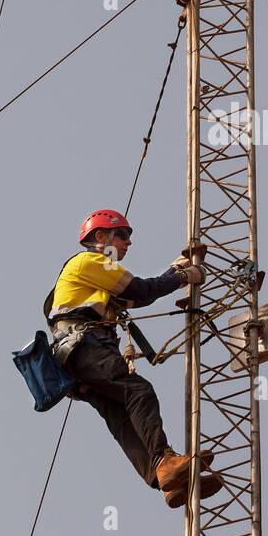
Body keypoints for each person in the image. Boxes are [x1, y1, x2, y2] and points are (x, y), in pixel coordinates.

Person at [47, 209, 222, 509]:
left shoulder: (97, 280)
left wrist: (175, 270)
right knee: (138, 392)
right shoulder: (88, 261)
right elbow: (140, 291)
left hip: (75, 365)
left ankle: (166, 481)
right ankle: (165, 461)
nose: (128, 243)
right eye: (123, 235)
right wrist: (183, 277)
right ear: (100, 237)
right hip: (84, 348)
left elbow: (140, 294)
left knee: (123, 418)